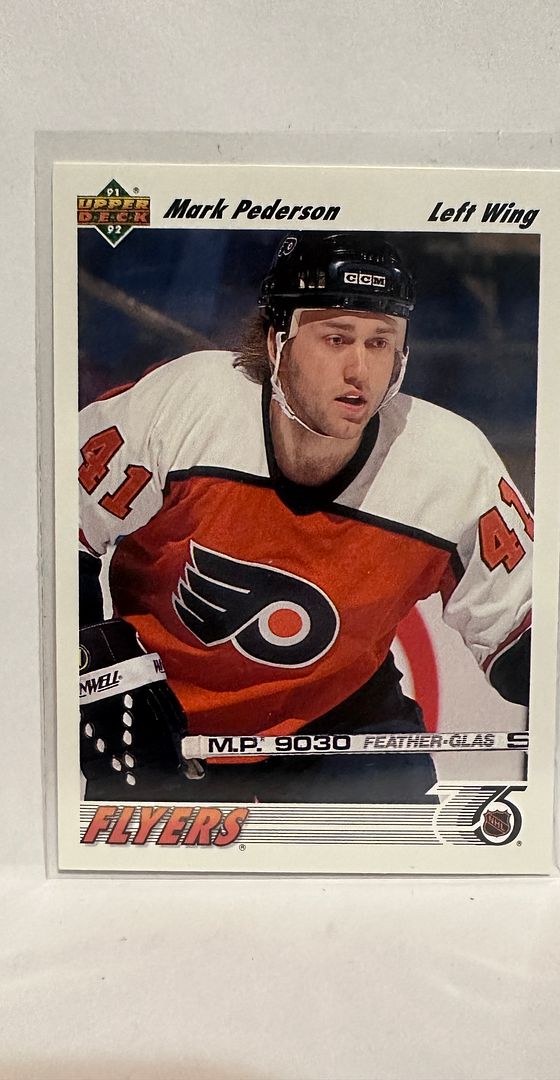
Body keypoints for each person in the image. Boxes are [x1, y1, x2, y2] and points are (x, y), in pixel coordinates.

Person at [78, 232, 532, 804]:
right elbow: (48, 528)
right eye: (336, 339)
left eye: (380, 343)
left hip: (338, 723)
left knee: (405, 860)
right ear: (278, 342)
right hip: (159, 718)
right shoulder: (187, 405)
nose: (359, 369)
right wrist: (92, 670)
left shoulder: (451, 462)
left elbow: (526, 634)